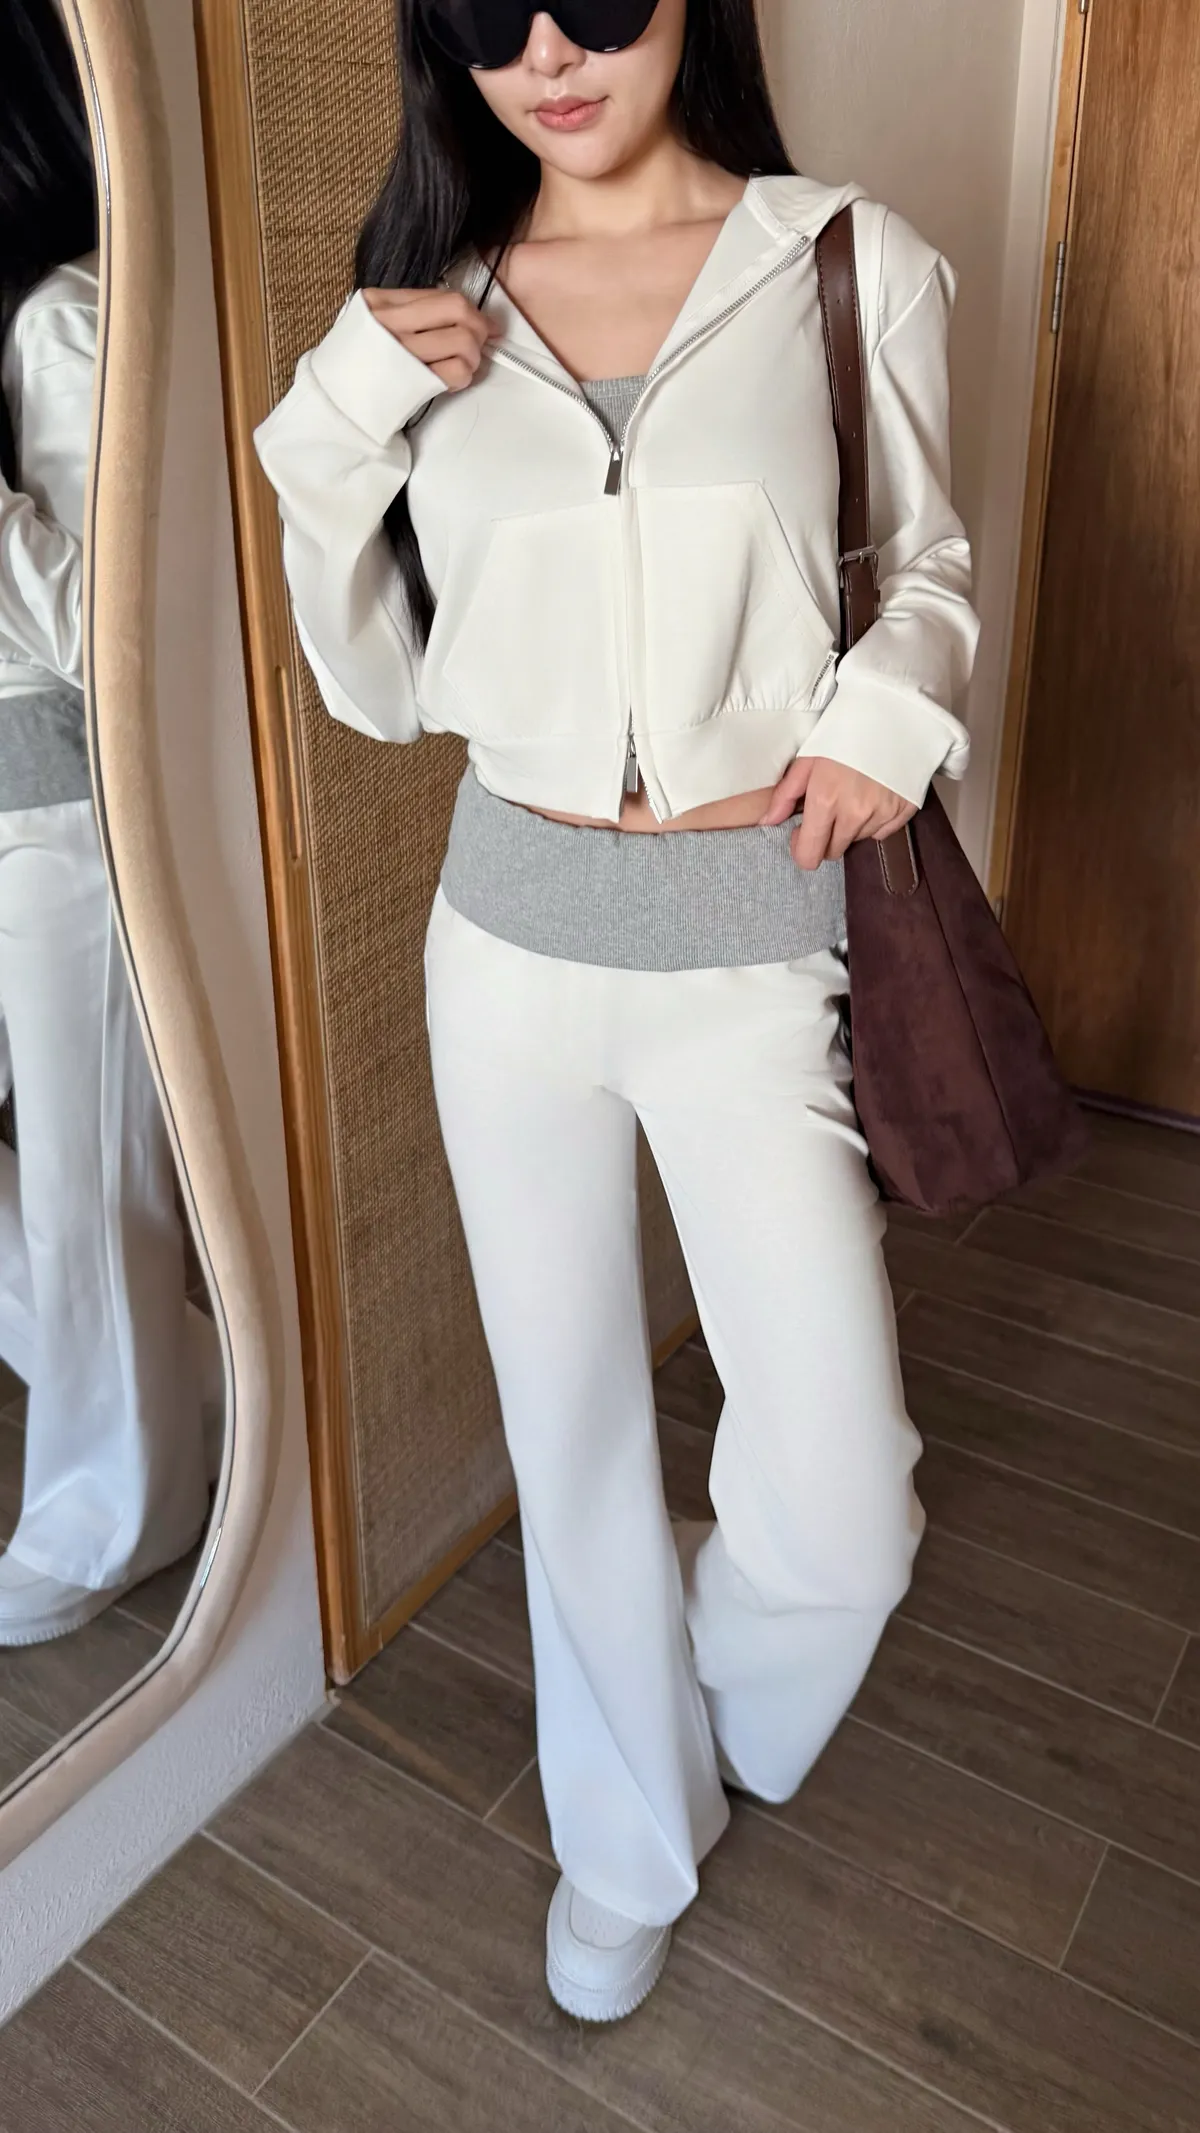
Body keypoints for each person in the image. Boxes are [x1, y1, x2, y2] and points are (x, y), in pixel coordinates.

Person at [257, 0, 979, 2021]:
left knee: (846, 1502)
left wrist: (887, 716)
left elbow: (927, 555)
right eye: (489, 17)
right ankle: (625, 1837)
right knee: (568, 1427)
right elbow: (379, 688)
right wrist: (325, 428)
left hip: (753, 947)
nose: (548, 53)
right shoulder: (436, 313)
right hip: (509, 946)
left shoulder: (845, 260)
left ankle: (714, 1704)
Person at [0, 0, 211, 1645]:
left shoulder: (73, 314)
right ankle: (166, 1385)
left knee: (90, 1180)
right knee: (75, 1195)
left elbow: (109, 629)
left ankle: (114, 1512)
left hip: (56, 801)